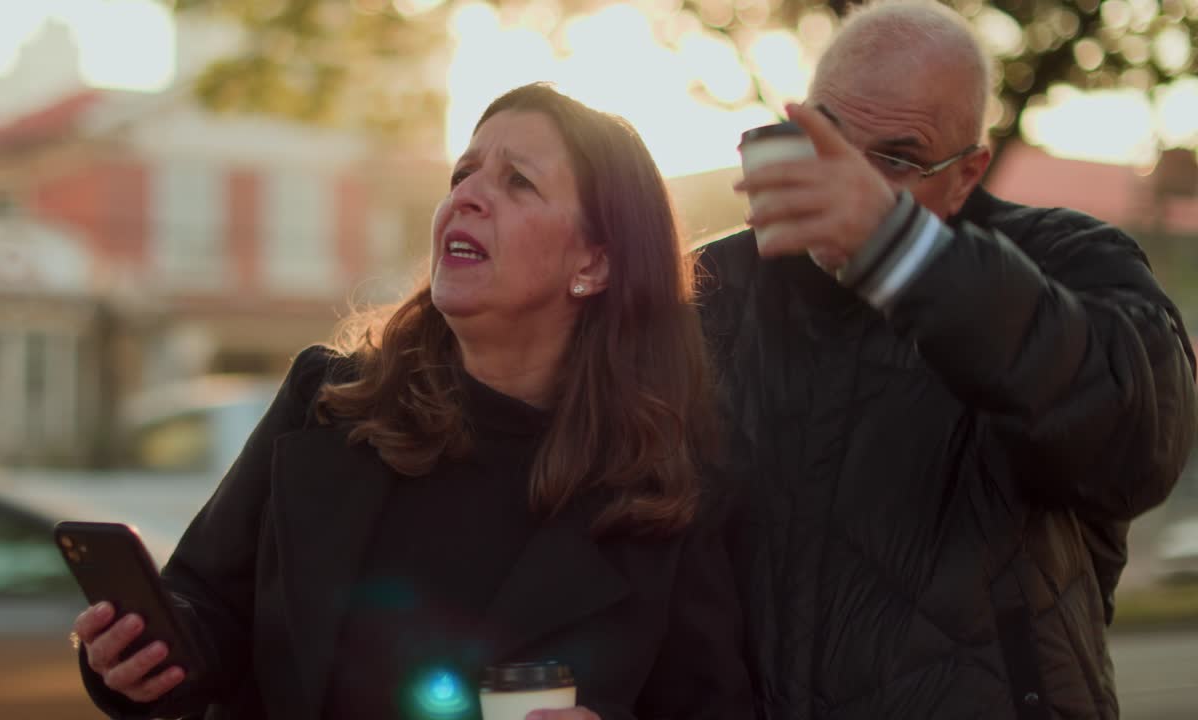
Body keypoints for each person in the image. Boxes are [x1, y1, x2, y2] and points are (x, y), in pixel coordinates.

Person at [70, 83, 752, 720]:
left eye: (518, 182)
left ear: (595, 264)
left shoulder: (667, 492)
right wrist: (137, 653)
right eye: (463, 174)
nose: (469, 197)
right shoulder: (326, 402)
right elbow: (204, 610)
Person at [698, 1, 1198, 718]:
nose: (855, 183)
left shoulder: (1068, 261)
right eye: (831, 138)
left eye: (896, 161)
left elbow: (1140, 437)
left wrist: (904, 255)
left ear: (967, 174)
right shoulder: (714, 290)